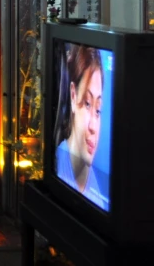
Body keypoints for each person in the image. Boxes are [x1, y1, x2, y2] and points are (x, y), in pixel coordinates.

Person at [54, 44, 108, 210]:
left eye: (98, 111)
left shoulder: (101, 200)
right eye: (87, 103)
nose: (93, 127)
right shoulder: (55, 164)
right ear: (72, 95)